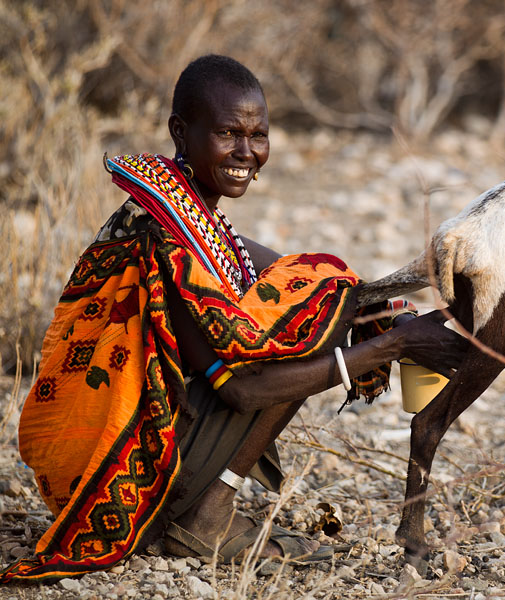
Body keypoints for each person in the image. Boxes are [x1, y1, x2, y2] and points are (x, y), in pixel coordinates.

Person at [2, 55, 467, 583]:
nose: (247, 152)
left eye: (258, 134)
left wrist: (409, 304)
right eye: (228, 133)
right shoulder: (164, 235)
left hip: (137, 446)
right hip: (128, 470)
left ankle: (200, 502)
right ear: (182, 131)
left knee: (325, 299)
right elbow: (240, 392)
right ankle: (207, 515)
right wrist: (387, 347)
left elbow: (317, 280)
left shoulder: (194, 217)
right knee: (316, 320)